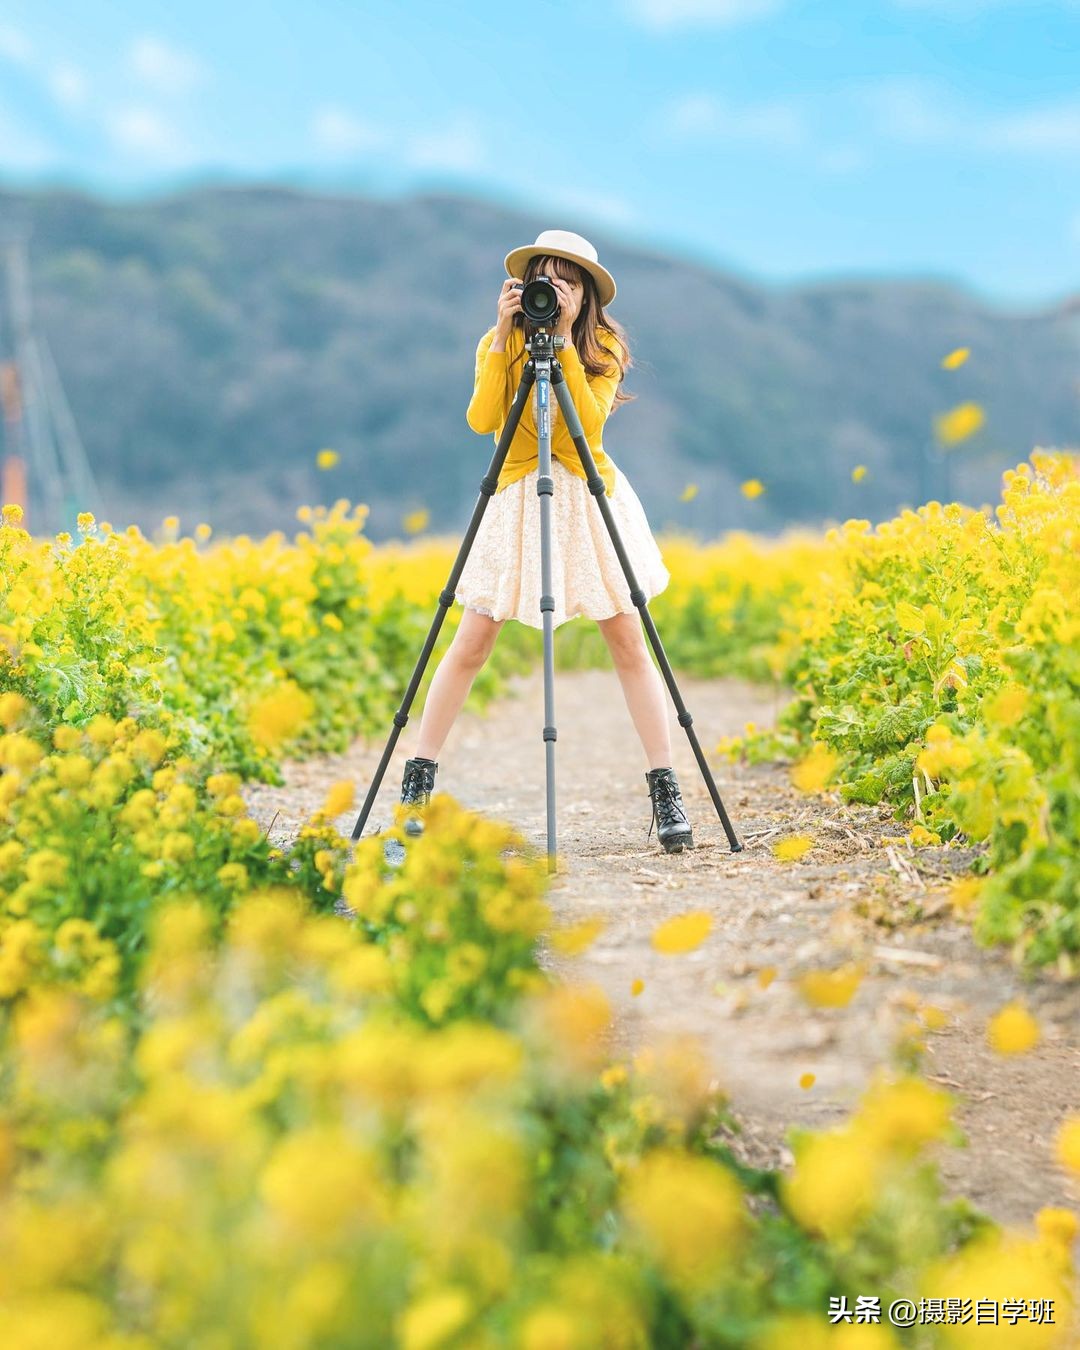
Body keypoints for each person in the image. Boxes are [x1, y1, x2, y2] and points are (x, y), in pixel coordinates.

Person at [398, 228, 693, 853]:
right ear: (524, 286)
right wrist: (504, 338)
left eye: (568, 280)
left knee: (627, 638)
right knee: (472, 640)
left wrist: (558, 347)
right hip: (515, 496)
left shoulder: (602, 348)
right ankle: (417, 784)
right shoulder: (498, 341)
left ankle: (665, 787)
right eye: (546, 278)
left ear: (587, 296)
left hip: (585, 493)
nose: (554, 290)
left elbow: (580, 430)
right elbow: (483, 420)